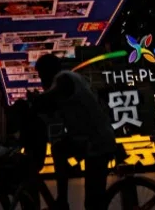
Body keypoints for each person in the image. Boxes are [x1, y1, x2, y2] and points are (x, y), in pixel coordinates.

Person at [32, 54, 118, 210]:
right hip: (89, 139)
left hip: (97, 142)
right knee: (59, 148)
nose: (40, 80)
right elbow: (52, 109)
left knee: (93, 203)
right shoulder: (72, 79)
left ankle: (62, 201)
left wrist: (35, 99)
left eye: (41, 75)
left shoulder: (64, 78)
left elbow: (50, 96)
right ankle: (62, 198)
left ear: (48, 71)